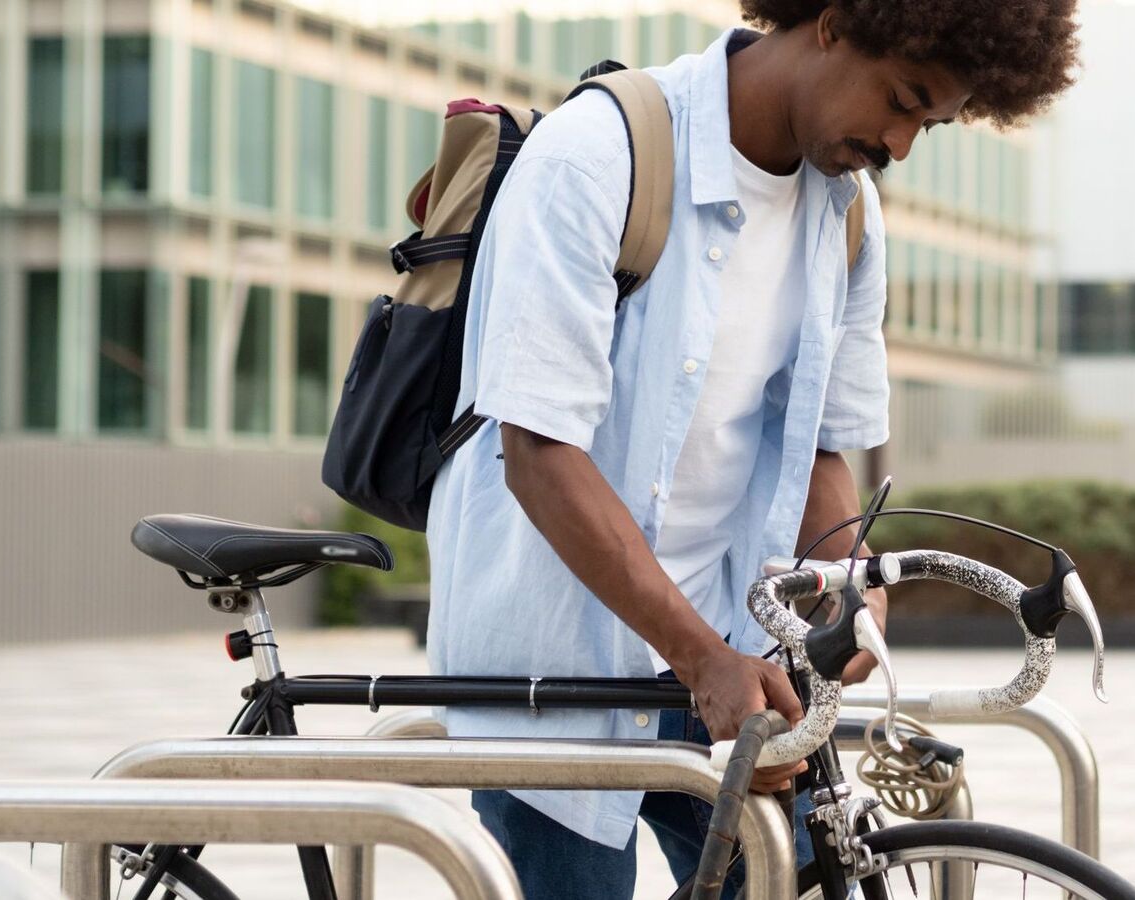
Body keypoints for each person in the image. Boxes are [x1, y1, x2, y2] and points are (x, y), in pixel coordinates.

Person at [424, 1, 1080, 896]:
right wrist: (701, 659)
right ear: (833, 23)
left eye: (928, 125)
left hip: (735, 656)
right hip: (562, 667)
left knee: (806, 876)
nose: (899, 144)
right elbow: (539, 453)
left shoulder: (847, 214)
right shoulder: (596, 155)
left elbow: (821, 449)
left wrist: (850, 587)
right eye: (901, 99)